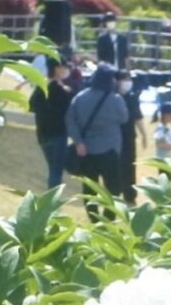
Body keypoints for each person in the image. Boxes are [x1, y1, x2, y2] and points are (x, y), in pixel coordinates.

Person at [65, 64, 137, 204]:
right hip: (110, 149)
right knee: (113, 187)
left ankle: (92, 214)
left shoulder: (80, 97)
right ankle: (108, 214)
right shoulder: (116, 99)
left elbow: (70, 120)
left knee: (89, 187)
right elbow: (124, 118)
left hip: (86, 149)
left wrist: (78, 141)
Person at [30, 55, 80, 189]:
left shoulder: (41, 87)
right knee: (56, 170)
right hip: (58, 133)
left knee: (52, 168)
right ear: (57, 69)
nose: (66, 70)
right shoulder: (60, 90)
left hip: (42, 134)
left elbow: (32, 105)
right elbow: (70, 107)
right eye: (64, 67)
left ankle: (51, 195)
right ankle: (53, 197)